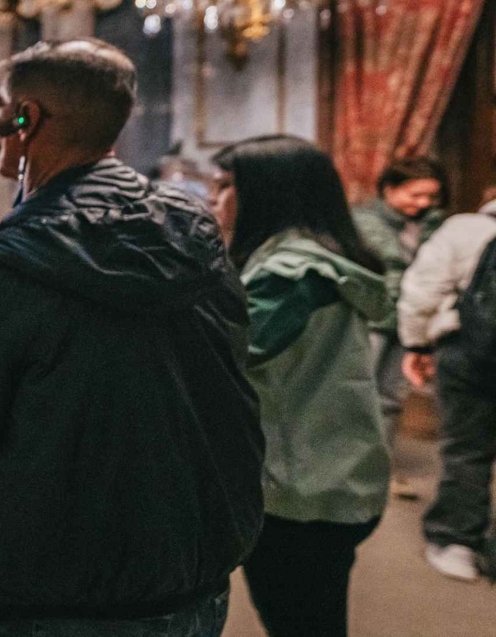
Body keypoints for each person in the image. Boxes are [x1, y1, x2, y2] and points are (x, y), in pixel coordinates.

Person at [0, 39, 262, 637]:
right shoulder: (197, 236)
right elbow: (233, 378)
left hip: (52, 585)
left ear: (26, 118)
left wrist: (2, 522)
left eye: (0, 109)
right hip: (193, 567)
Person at [212, 135, 390, 637]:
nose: (214, 198)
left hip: (299, 489)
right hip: (337, 468)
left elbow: (219, 358)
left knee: (301, 621)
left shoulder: (288, 276)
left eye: (227, 186)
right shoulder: (320, 255)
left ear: (268, 195)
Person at [398, 184, 496, 581]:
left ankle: (456, 542)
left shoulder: (464, 229)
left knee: (466, 449)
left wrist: (416, 343)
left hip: (469, 352)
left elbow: (423, 290)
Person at [352, 157, 446, 498]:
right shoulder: (361, 222)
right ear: (390, 190)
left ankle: (382, 468)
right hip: (372, 318)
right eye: (415, 194)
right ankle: (348, 469)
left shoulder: (436, 226)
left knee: (391, 397)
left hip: (411, 324)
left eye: (430, 197)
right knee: (358, 393)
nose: (423, 204)